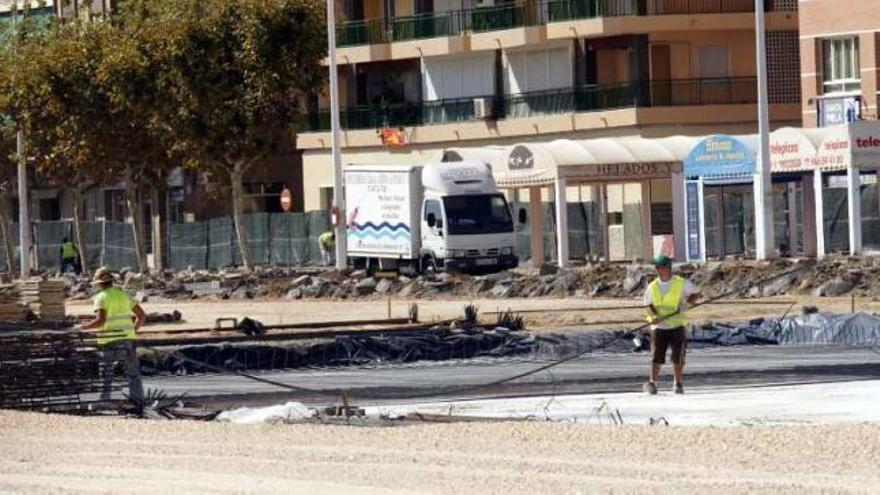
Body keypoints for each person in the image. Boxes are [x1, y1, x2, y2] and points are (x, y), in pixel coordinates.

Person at [78, 267, 146, 404]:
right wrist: (133, 331)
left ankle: (105, 401)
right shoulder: (124, 295)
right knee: (133, 373)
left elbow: (100, 321)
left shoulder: (101, 297)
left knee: (106, 373)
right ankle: (138, 401)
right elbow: (142, 316)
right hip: (128, 339)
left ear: (99, 284)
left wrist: (83, 327)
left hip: (109, 341)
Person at [643, 254, 700, 395]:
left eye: (659, 267)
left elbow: (697, 293)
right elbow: (648, 304)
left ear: (667, 268)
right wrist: (655, 316)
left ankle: (677, 383)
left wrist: (686, 303)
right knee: (656, 355)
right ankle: (652, 383)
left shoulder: (681, 283)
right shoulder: (653, 286)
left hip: (677, 325)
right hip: (659, 326)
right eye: (656, 267)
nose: (657, 269)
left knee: (678, 356)